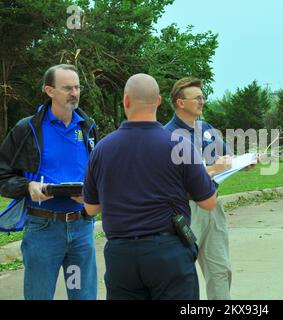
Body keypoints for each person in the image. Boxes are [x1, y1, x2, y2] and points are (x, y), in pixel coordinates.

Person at [82, 73, 217, 300]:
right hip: (168, 251)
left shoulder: (102, 149)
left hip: (121, 255)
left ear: (126, 101)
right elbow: (208, 202)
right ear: (159, 101)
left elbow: (91, 209)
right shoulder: (180, 145)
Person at [0, 64, 98, 300]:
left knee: (83, 296)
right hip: (43, 229)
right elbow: (2, 175)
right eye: (67, 88)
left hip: (81, 228)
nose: (74, 93)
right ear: (49, 90)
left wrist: (92, 194)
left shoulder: (87, 127)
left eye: (77, 87)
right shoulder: (27, 128)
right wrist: (27, 187)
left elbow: (99, 173)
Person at [165, 77, 236, 300]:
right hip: (185, 210)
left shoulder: (207, 129)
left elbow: (225, 159)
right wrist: (214, 168)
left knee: (220, 270)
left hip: (213, 205)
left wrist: (243, 163)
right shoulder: (167, 135)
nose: (202, 101)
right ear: (180, 102)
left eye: (203, 97)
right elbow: (177, 179)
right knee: (181, 272)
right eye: (197, 98)